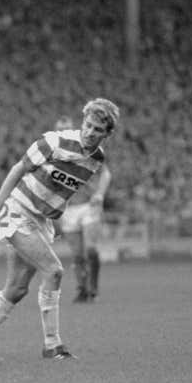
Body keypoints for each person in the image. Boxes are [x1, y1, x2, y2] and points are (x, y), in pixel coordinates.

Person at [0, 98, 120, 361]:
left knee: (16, 288)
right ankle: (52, 345)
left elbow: (62, 191)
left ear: (107, 134)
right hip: (18, 213)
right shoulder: (54, 142)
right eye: (88, 125)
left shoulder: (97, 160)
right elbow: (18, 169)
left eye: (98, 130)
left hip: (42, 222)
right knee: (54, 270)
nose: (90, 132)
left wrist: (56, 219)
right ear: (82, 120)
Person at [55, 116, 112, 302]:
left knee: (91, 250)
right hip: (69, 209)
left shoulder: (87, 149)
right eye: (60, 129)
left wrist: (100, 194)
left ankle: (93, 287)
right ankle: (82, 290)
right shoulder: (52, 151)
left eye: (66, 128)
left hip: (88, 206)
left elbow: (106, 173)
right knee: (78, 255)